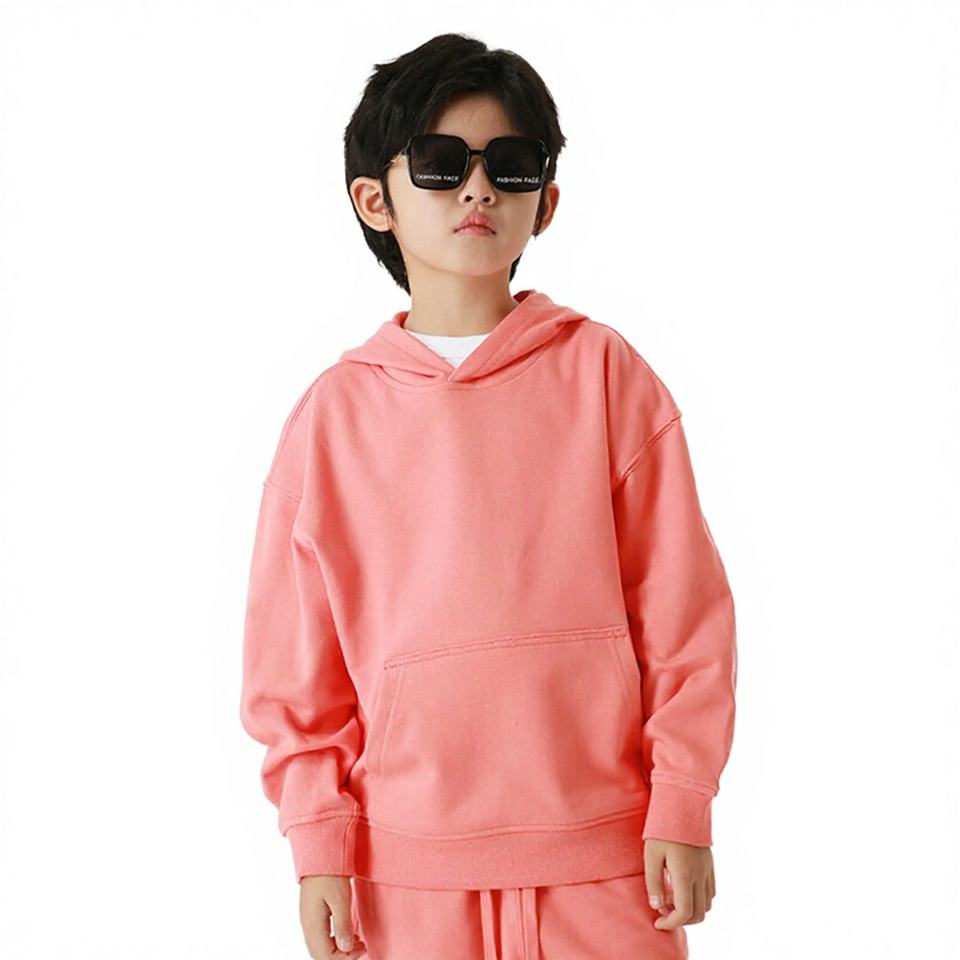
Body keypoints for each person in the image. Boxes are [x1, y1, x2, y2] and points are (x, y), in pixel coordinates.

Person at [240, 31, 737, 960]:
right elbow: (297, 668)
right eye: (441, 162)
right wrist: (318, 842)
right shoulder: (331, 417)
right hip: (403, 876)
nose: (477, 189)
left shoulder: (605, 377)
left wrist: (683, 798)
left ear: (545, 201)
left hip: (611, 859)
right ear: (374, 199)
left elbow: (683, 613)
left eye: (509, 165)